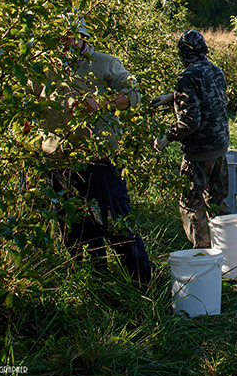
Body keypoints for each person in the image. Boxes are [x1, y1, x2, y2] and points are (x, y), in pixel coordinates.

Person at [37, 27, 153, 285]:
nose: (64, 43)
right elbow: (29, 103)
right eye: (58, 38)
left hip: (99, 157)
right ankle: (88, 281)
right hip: (58, 159)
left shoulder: (104, 63)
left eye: (69, 37)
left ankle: (142, 282)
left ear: (82, 38)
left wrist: (106, 102)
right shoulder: (44, 67)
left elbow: (134, 93)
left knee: (115, 220)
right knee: (71, 226)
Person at [152, 29, 231, 248]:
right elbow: (209, 99)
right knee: (217, 201)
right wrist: (172, 97)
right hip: (220, 147)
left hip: (198, 152)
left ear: (183, 53)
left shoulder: (186, 77)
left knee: (191, 203)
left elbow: (190, 120)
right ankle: (229, 248)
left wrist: (167, 137)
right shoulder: (217, 71)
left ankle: (204, 254)